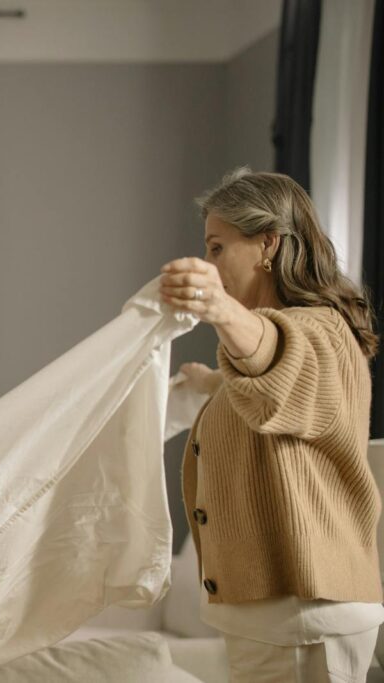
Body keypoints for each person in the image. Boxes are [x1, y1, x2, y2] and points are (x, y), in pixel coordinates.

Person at [160, 167, 384, 682]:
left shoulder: (323, 331)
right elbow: (276, 400)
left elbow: (278, 356)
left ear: (267, 244)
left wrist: (215, 307)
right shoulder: (292, 347)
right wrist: (211, 384)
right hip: (277, 615)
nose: (212, 265)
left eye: (218, 248)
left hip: (304, 614)